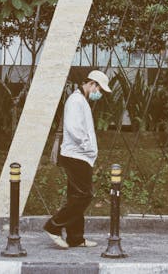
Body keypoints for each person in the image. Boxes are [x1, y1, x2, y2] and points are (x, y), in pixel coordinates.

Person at [44, 70, 111, 248]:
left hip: (78, 155)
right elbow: (74, 129)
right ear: (92, 84)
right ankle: (53, 226)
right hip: (76, 155)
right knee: (84, 195)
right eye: (100, 89)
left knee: (76, 197)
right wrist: (87, 146)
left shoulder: (80, 100)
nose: (100, 94)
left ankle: (75, 238)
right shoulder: (76, 101)